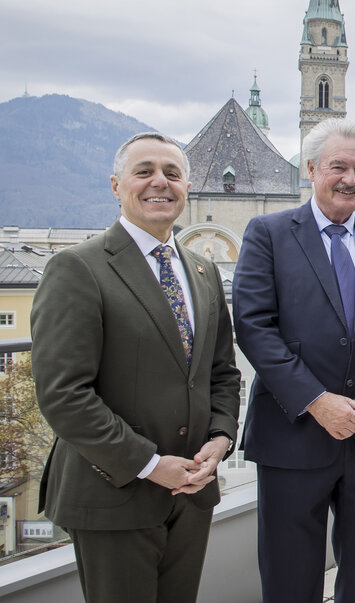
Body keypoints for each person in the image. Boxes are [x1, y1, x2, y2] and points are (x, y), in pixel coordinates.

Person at [31, 132, 241, 603]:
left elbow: (221, 372)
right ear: (115, 186)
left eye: (172, 173)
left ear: (187, 187)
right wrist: (149, 464)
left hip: (191, 491)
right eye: (144, 171)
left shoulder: (203, 272)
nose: (159, 183)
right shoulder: (77, 268)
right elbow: (64, 394)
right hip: (114, 492)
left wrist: (221, 439)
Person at [232, 118, 355, 603]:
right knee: (289, 577)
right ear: (312, 169)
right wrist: (318, 401)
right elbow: (254, 326)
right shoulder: (269, 233)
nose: (351, 178)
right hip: (292, 435)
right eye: (339, 166)